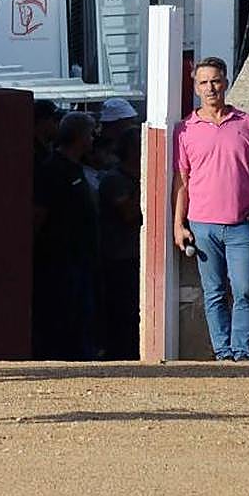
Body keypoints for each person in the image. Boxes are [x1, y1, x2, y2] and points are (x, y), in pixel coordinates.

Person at [173, 57, 249, 362]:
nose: (210, 88)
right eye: (203, 82)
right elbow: (181, 181)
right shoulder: (185, 129)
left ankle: (242, 352)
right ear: (196, 88)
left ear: (225, 83)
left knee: (243, 290)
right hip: (202, 224)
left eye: (215, 81)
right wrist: (178, 224)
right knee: (213, 293)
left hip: (240, 224)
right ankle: (223, 354)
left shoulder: (247, 123)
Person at [33, 111, 99, 360]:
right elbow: (38, 214)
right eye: (90, 134)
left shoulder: (76, 168)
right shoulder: (54, 169)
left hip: (81, 258)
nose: (93, 140)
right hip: (59, 260)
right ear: (80, 137)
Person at [98, 126, 141, 359]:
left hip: (135, 256)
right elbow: (129, 213)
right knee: (120, 312)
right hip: (118, 259)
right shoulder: (114, 180)